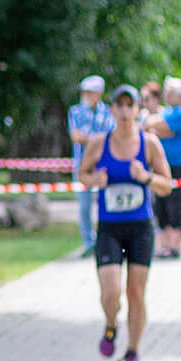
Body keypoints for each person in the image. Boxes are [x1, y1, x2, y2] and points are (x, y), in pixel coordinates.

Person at [79, 83, 175, 361]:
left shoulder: (149, 144)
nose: (123, 111)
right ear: (111, 109)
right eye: (118, 105)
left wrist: (145, 177)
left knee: (135, 292)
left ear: (136, 110)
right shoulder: (98, 142)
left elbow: (167, 185)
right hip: (109, 228)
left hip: (140, 229)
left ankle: (133, 351)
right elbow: (83, 174)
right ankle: (111, 325)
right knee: (111, 291)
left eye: (129, 105)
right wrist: (94, 180)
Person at [146, 77, 181, 260]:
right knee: (162, 205)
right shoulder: (170, 111)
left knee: (177, 205)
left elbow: (158, 125)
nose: (166, 96)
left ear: (179, 94)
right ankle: (166, 245)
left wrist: (156, 126)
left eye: (169, 93)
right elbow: (158, 128)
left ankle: (175, 246)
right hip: (165, 164)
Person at [68, 75, 114, 258]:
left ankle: (106, 239)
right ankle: (88, 242)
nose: (86, 95)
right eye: (84, 91)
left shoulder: (109, 112)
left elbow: (110, 137)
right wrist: (97, 139)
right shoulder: (75, 111)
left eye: (90, 92)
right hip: (82, 165)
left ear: (99, 93)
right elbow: (76, 137)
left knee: (105, 202)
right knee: (84, 206)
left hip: (103, 164)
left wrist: (90, 139)